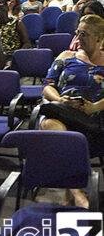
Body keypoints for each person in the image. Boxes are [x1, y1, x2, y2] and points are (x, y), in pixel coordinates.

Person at [39, 15, 104, 208]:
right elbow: (47, 86)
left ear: (100, 38)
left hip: (96, 117)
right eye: (77, 33)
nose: (78, 38)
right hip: (64, 113)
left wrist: (94, 106)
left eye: (84, 34)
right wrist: (60, 99)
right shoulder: (66, 57)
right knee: (52, 125)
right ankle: (77, 192)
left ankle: (70, 195)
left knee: (65, 136)